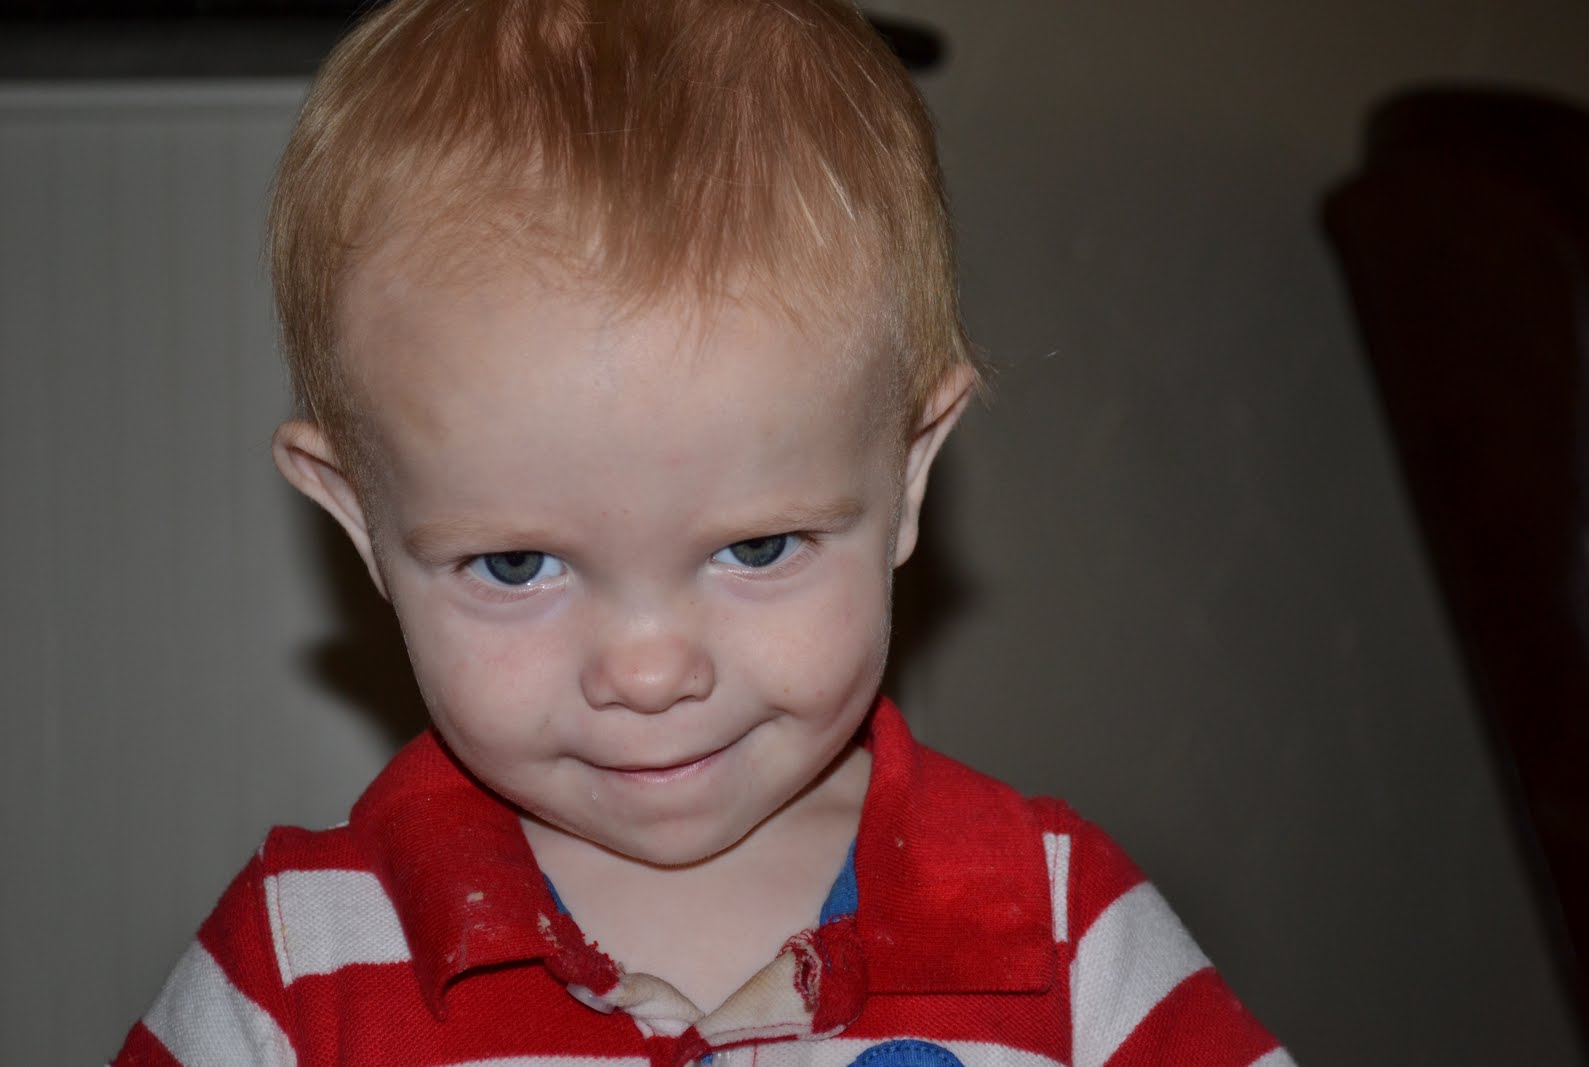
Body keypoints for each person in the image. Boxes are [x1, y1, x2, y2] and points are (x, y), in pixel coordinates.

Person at [114, 1, 1292, 1064]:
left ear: (908, 472)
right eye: (516, 564)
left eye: (757, 547)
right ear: (357, 515)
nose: (648, 671)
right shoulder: (294, 968)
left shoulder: (1062, 931)